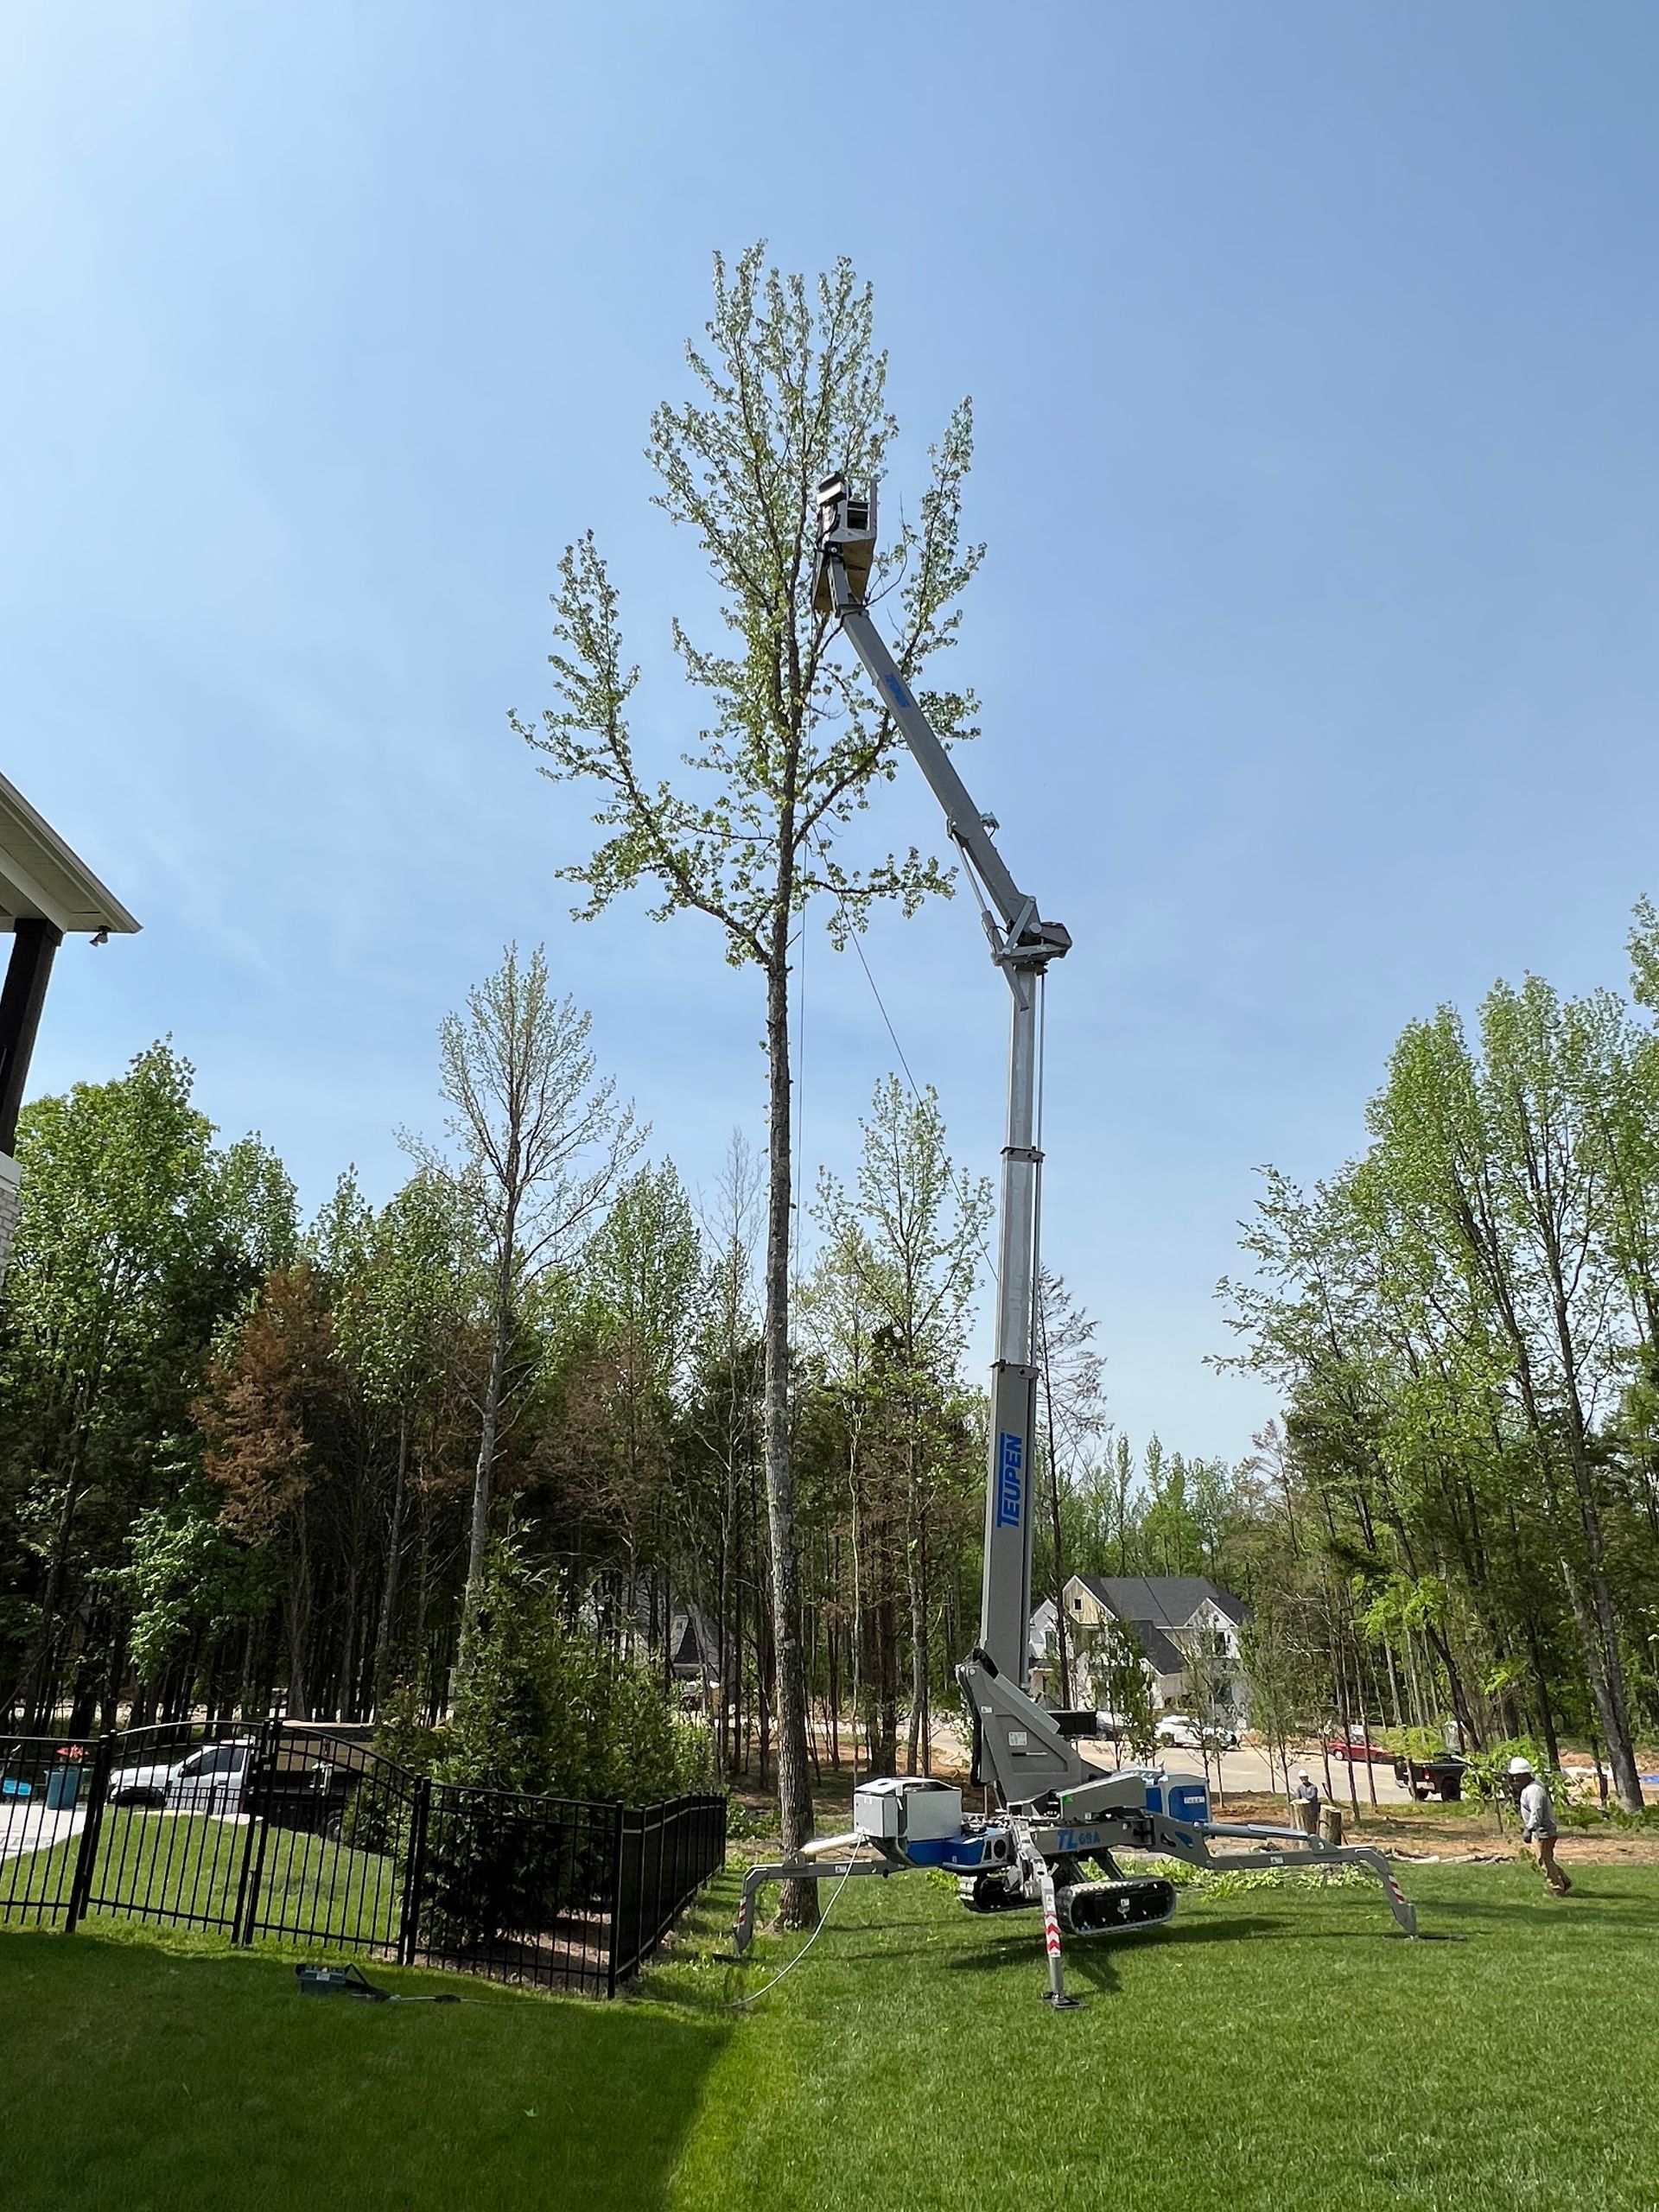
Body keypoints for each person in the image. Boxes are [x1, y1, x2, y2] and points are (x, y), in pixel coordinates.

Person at [1510, 1756, 1572, 1896]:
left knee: (1544, 1861)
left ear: (1526, 1775)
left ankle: (1557, 1888)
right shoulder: (1532, 1788)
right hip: (1539, 1832)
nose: (1515, 1780)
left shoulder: (1534, 1791)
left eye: (1517, 1777)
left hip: (1543, 1832)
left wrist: (1529, 1829)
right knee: (1546, 1859)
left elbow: (1536, 1812)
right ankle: (1564, 1881)